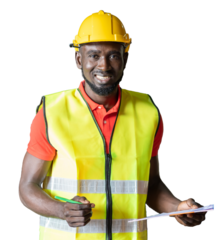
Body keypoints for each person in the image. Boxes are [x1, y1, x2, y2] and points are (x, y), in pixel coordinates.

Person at [18, 8, 207, 240]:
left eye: (113, 55)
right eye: (94, 55)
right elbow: (26, 188)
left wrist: (178, 208)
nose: (104, 66)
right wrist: (61, 209)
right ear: (78, 59)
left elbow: (152, 184)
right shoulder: (52, 112)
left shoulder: (148, 112)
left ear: (125, 58)